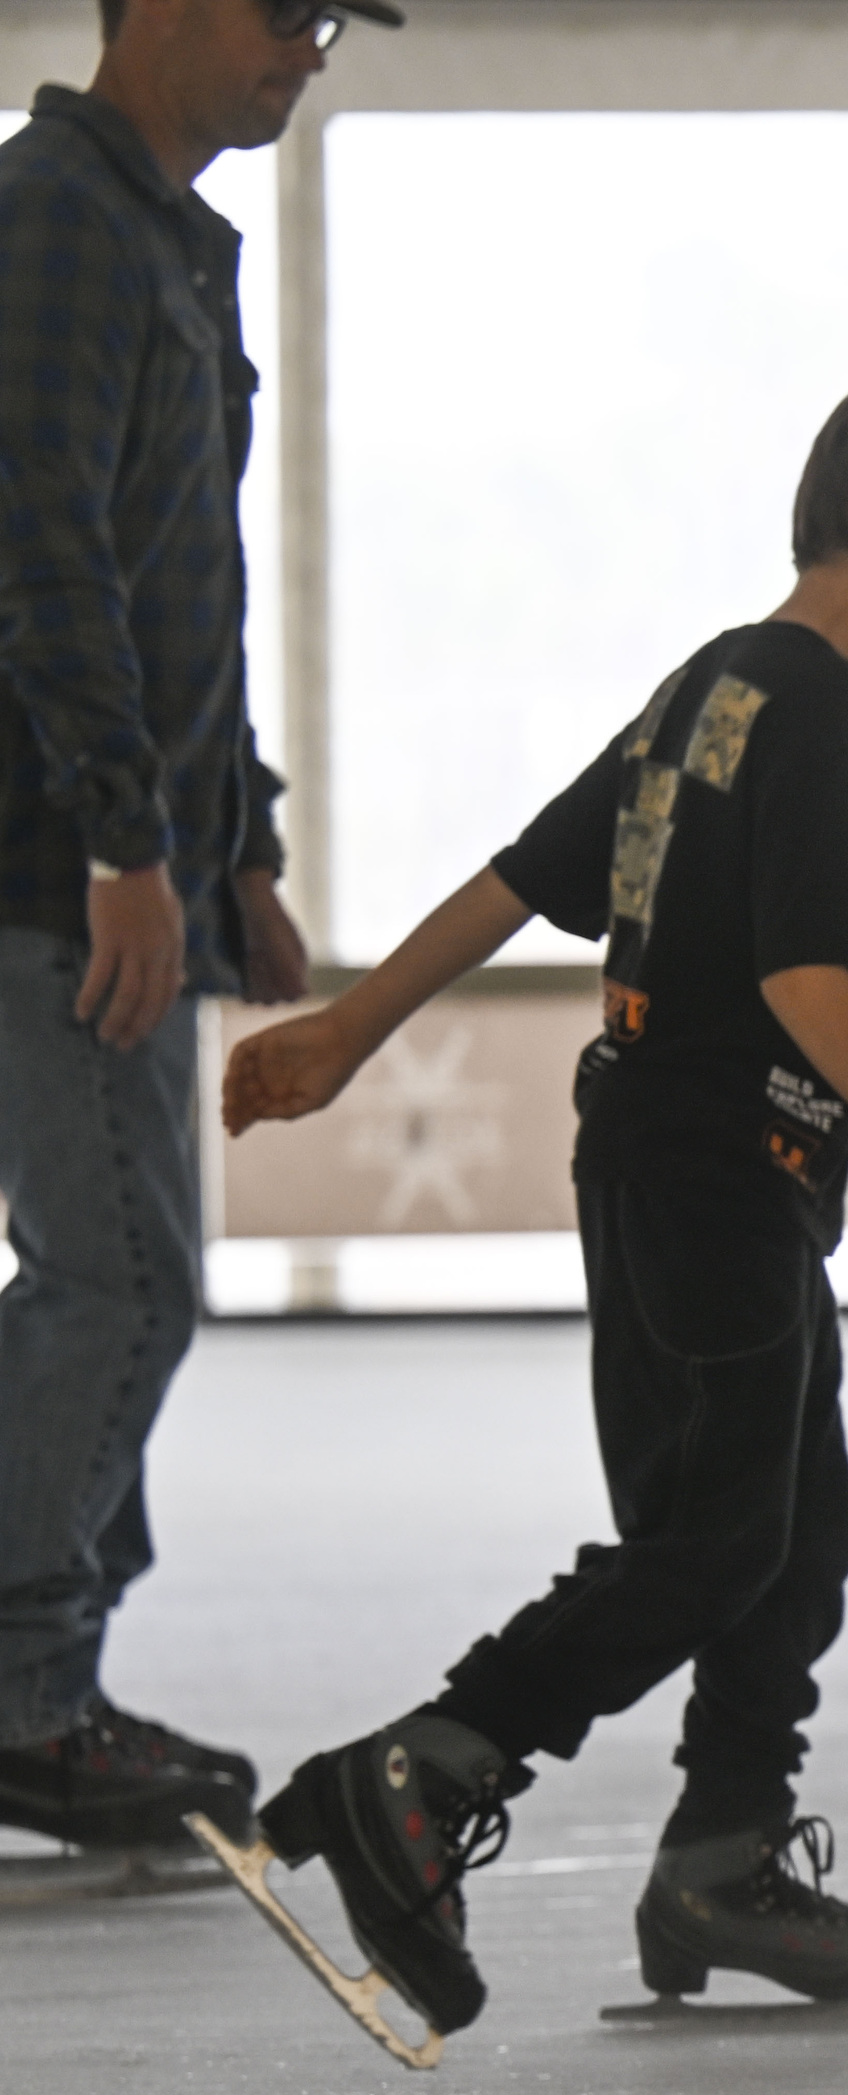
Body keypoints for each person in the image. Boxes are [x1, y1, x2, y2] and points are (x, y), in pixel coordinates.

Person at [210, 366, 848, 2049]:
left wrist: (351, 1026)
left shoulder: (709, 690)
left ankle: (722, 1860)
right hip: (718, 1169)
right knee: (717, 1536)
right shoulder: (827, 708)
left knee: (789, 1526)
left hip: (665, 1158)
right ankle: (426, 1767)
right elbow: (809, 976)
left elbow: (524, 877)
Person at [0, 1, 402, 1863]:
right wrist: (120, 841)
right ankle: (19, 1696)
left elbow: (185, 577)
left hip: (125, 850)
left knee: (125, 1273)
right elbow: (40, 545)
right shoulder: (58, 222)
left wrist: (232, 835)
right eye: (284, 11)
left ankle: (45, 1680)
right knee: (126, 1278)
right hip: (51, 865)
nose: (310, 49)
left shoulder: (162, 238)